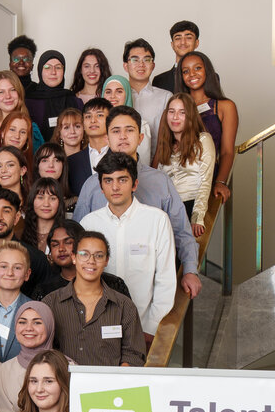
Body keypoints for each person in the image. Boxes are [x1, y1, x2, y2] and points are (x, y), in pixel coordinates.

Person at [74, 105, 201, 298]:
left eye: (130, 130)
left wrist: (190, 270)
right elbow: (77, 236)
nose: (123, 136)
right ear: (107, 138)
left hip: (150, 287)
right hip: (100, 288)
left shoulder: (160, 182)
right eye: (116, 131)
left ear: (141, 138)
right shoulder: (92, 185)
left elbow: (182, 232)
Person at [80, 151, 177, 339]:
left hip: (143, 328)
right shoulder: (88, 224)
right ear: (101, 186)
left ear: (135, 184)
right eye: (108, 181)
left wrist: (151, 328)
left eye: (122, 180)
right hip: (97, 329)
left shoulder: (157, 220)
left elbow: (165, 280)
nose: (115, 187)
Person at [47, 231, 146, 366]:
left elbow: (134, 355)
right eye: (84, 254)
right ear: (74, 257)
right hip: (63, 385)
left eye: (99, 256)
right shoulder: (51, 303)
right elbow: (42, 351)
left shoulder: (124, 306)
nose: (91, 261)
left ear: (106, 261)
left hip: (109, 385)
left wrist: (115, 383)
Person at [178, 50, 239, 203]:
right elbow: (162, 149)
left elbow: (227, 151)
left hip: (208, 178)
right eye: (186, 71)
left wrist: (220, 182)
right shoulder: (175, 108)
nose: (192, 74)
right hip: (178, 180)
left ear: (207, 70)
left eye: (197, 68)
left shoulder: (226, 107)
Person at [153, 93, 217, 236]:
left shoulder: (203, 140)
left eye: (182, 112)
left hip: (190, 205)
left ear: (191, 116)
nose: (175, 117)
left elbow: (206, 181)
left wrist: (198, 217)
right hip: (168, 211)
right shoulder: (166, 145)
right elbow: (159, 185)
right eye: (171, 111)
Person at [0, 299, 56, 412]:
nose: (29, 328)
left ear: (49, 326)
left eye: (37, 322)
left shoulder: (68, 368)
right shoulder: (2, 373)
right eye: (22, 322)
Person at [41, 219, 132, 299]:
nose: (61, 249)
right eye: (55, 244)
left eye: (68, 242)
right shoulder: (45, 290)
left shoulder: (114, 284)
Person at [123, 38, 171, 146]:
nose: (141, 64)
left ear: (153, 65)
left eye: (147, 59)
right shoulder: (116, 96)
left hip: (157, 161)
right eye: (135, 60)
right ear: (125, 66)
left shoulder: (166, 98)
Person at [25, 49, 79, 142]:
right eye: (47, 67)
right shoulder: (29, 102)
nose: (53, 72)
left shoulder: (74, 101)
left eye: (58, 67)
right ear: (40, 70)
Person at [102, 75, 153, 167]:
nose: (112, 96)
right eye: (108, 92)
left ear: (128, 94)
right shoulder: (96, 126)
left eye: (119, 91)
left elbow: (143, 164)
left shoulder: (142, 126)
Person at [67, 98, 111, 197]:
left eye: (99, 115)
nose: (93, 120)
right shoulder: (71, 162)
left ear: (111, 120)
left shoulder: (120, 156)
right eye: (88, 116)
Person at [21, 178, 66, 259]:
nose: (46, 204)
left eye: (52, 198)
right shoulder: (20, 234)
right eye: (40, 197)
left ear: (60, 203)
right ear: (32, 200)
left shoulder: (67, 234)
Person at [153, 19, 201, 92]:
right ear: (172, 45)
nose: (183, 42)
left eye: (188, 38)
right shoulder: (159, 80)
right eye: (178, 38)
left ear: (196, 43)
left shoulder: (210, 76)